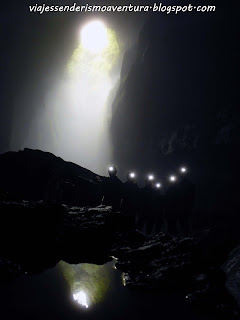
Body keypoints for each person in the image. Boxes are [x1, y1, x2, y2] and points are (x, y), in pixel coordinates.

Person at [177, 167, 196, 236]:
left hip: (185, 205)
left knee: (184, 220)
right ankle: (185, 233)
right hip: (184, 205)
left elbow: (192, 195)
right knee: (183, 220)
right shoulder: (185, 184)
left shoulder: (185, 184)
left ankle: (186, 233)